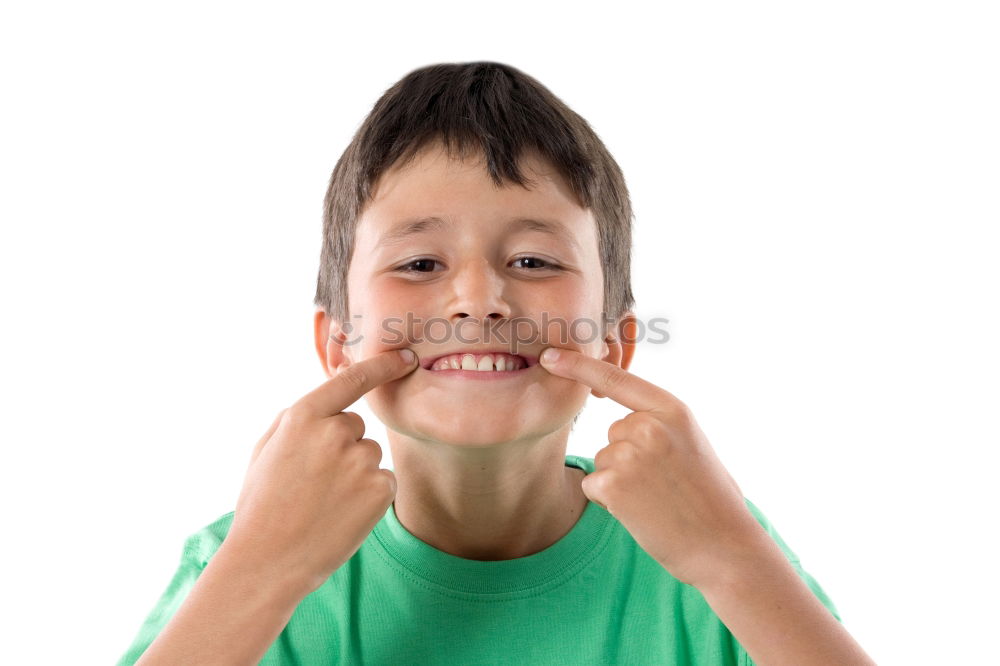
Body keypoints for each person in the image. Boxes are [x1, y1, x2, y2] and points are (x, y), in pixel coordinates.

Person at [117, 61, 875, 665]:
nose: (478, 299)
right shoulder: (244, 558)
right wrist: (260, 571)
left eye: (535, 259)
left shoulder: (716, 549)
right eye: (417, 263)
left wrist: (731, 557)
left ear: (614, 342)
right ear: (335, 342)